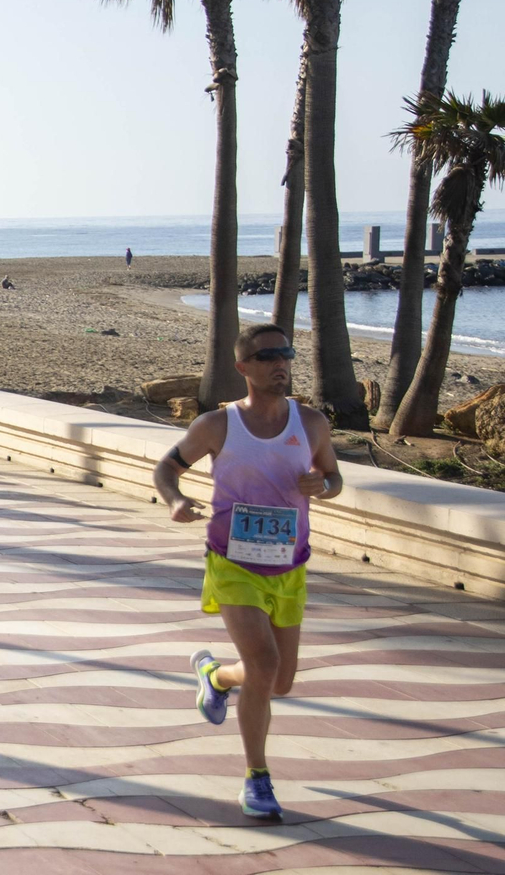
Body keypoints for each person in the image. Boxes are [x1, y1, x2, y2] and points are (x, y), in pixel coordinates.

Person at [153, 322, 341, 821]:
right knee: (263, 666)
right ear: (243, 368)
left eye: (287, 353)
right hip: (232, 562)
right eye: (267, 357)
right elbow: (166, 469)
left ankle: (215, 677)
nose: (281, 363)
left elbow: (334, 475)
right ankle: (257, 781)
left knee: (279, 681)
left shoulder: (312, 423)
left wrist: (323, 486)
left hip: (289, 564)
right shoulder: (218, 425)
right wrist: (174, 501)